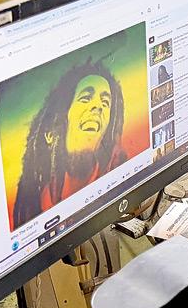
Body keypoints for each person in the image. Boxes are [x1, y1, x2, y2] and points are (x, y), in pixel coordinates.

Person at [11, 58, 128, 228]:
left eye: (105, 102)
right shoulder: (32, 203)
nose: (98, 107)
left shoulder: (118, 170)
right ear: (52, 131)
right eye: (85, 98)